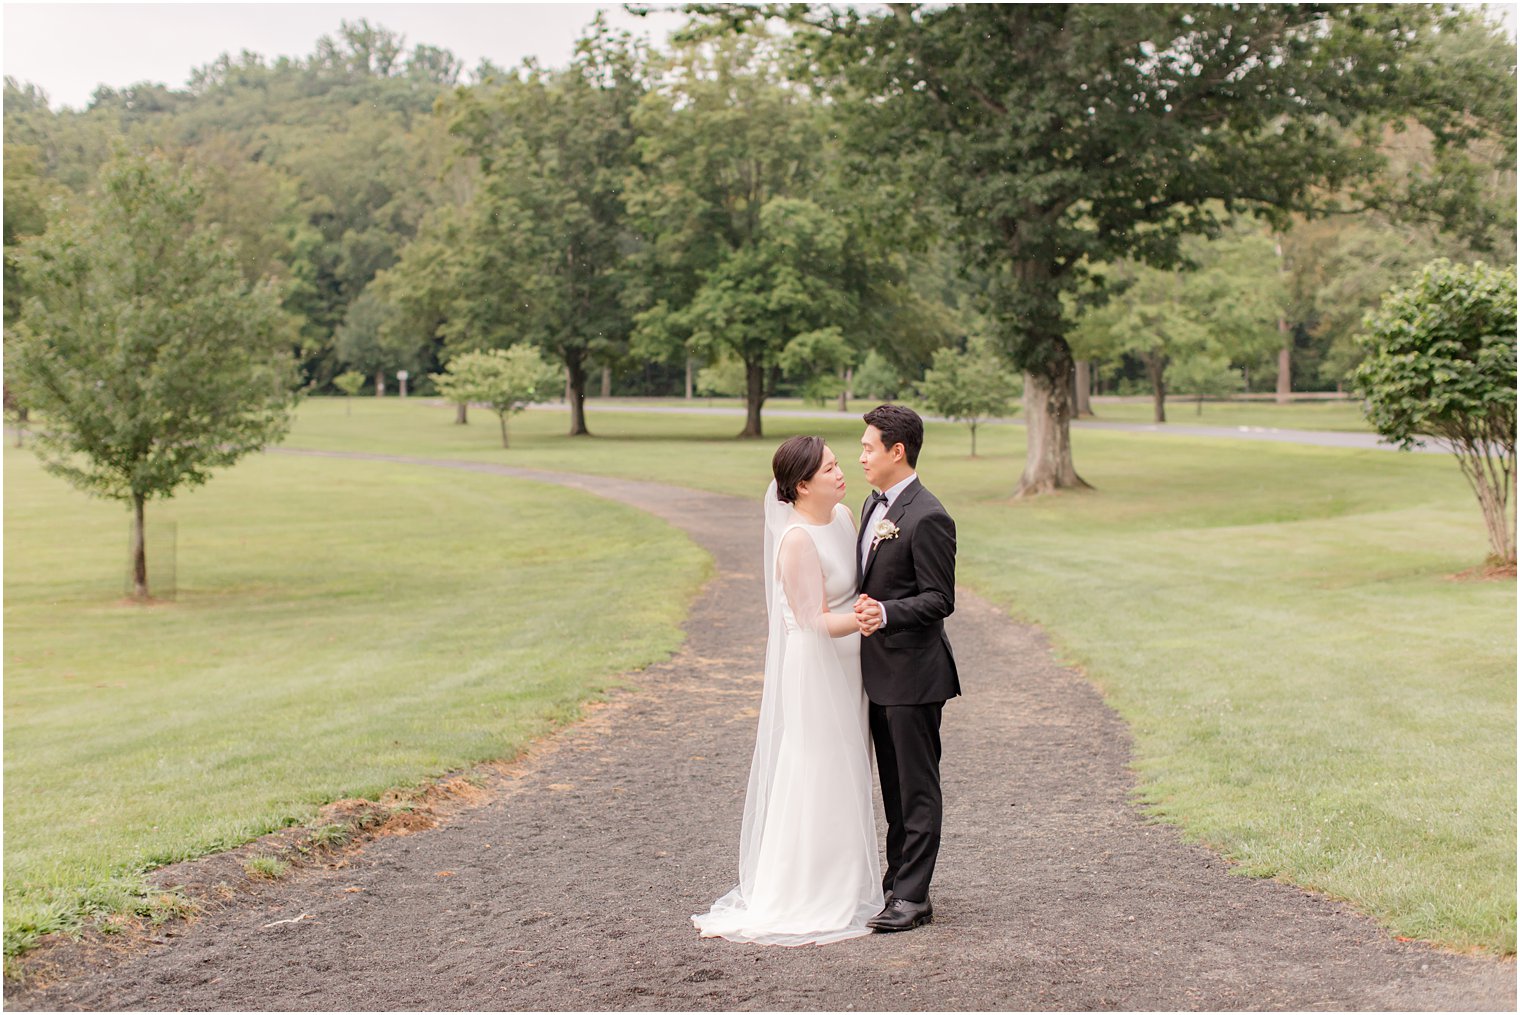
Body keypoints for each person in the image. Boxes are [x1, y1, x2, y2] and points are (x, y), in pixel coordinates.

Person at [692, 436, 883, 946]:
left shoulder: (843, 518)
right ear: (801, 485)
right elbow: (812, 621)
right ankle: (810, 889)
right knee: (819, 768)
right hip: (815, 665)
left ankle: (848, 878)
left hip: (849, 666)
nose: (842, 472)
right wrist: (866, 621)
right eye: (829, 469)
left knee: (850, 767)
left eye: (840, 463)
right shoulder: (796, 540)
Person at [853, 404, 959, 933]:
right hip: (878, 675)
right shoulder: (874, 505)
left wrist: (889, 612)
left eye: (869, 446)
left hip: (915, 676)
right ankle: (899, 882)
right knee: (893, 789)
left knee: (917, 789)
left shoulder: (928, 514)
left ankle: (914, 899)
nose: (861, 456)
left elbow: (940, 598)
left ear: (898, 451)